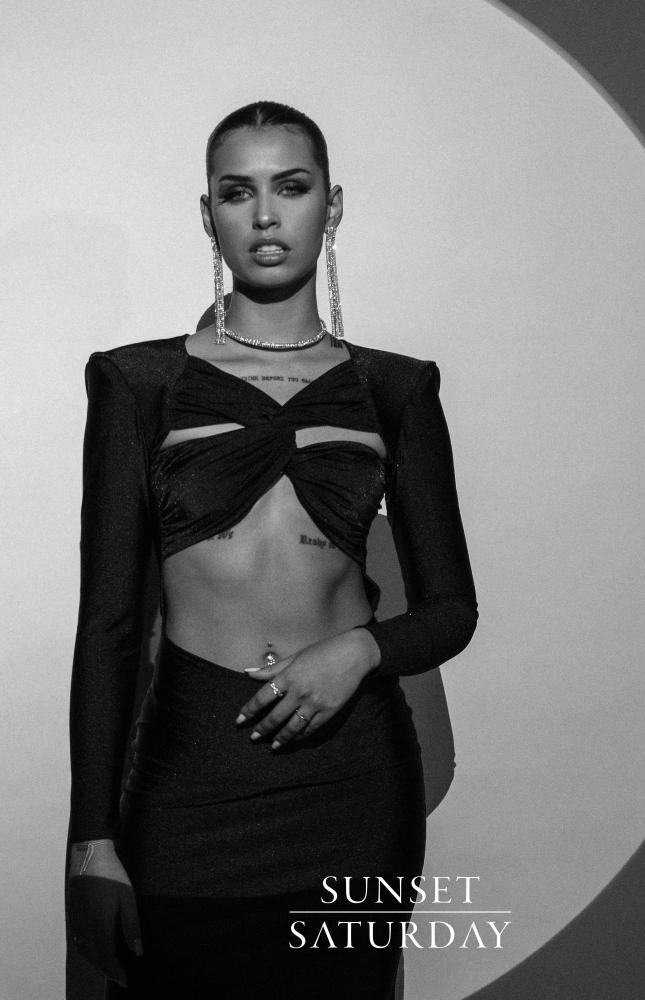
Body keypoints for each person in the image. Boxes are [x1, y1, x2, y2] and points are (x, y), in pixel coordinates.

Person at [66, 100, 477, 1000]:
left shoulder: (395, 388)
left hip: (354, 782)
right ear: (206, 213)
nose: (263, 216)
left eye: (290, 188)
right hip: (190, 773)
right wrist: (91, 834)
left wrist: (357, 652)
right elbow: (110, 623)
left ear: (333, 206)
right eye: (236, 192)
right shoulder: (140, 382)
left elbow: (453, 609)